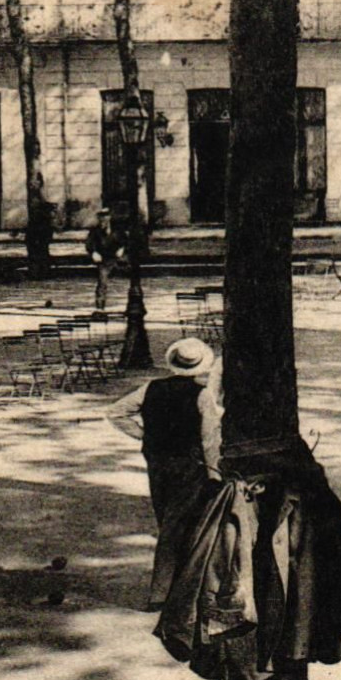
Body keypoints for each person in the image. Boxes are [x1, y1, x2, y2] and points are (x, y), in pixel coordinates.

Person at [107, 337, 219, 531]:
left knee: (164, 509)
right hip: (189, 462)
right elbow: (209, 438)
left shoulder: (151, 387)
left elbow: (116, 412)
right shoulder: (202, 394)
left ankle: (167, 553)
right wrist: (214, 474)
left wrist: (144, 434)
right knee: (189, 517)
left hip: (157, 458)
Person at [85, 208, 123, 311]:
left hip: (117, 259)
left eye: (106, 216)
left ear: (110, 217)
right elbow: (89, 244)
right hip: (104, 260)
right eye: (101, 217)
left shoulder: (117, 230)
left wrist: (122, 249)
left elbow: (125, 242)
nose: (104, 219)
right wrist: (94, 252)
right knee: (102, 280)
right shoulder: (95, 231)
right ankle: (100, 306)